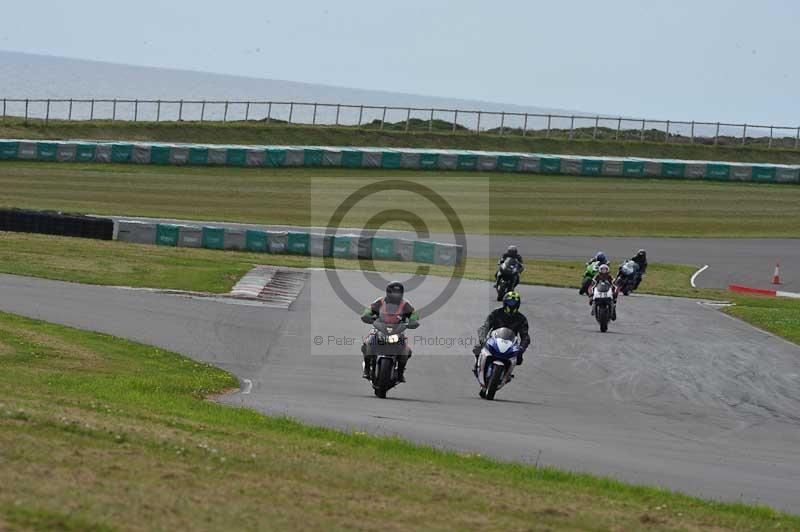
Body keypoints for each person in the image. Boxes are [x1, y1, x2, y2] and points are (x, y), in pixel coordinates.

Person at [360, 281, 419, 382]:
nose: (396, 295)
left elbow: (414, 315)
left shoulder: (405, 304)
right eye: (393, 293)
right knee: (368, 343)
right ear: (388, 292)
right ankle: (367, 369)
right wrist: (367, 316)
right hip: (380, 328)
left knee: (406, 351)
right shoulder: (380, 302)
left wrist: (412, 322)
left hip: (397, 331)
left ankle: (400, 373)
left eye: (398, 293)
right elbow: (368, 310)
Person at [472, 291, 531, 375]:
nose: (512, 304)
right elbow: (485, 326)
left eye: (514, 302)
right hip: (494, 339)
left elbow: (525, 336)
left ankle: (507, 374)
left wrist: (521, 348)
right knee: (477, 348)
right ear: (505, 302)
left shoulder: (521, 319)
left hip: (511, 344)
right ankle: (477, 366)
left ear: (518, 304)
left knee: (519, 359)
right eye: (510, 302)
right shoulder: (496, 313)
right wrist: (482, 338)